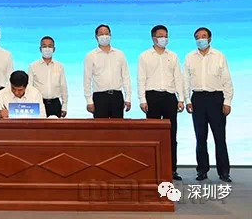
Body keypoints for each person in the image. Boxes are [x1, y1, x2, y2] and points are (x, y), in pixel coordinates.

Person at [184, 27, 234, 182]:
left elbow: (226, 80)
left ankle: (224, 172)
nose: (201, 39)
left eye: (204, 36)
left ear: (210, 39)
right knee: (200, 137)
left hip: (216, 99)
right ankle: (202, 170)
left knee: (220, 137)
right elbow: (186, 80)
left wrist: (227, 101)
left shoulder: (219, 56)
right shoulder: (190, 57)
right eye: (198, 37)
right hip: (198, 99)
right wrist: (187, 100)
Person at [137, 25, 185, 181]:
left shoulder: (173, 56)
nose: (164, 38)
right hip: (152, 97)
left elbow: (178, 78)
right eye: (160, 36)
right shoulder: (145, 56)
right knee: (152, 135)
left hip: (170, 97)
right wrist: (142, 100)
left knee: (171, 134)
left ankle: (172, 169)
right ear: (153, 38)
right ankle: (152, 169)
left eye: (166, 35)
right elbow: (141, 79)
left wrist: (181, 98)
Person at [83, 24, 131, 118]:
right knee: (100, 126)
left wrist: (128, 97)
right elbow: (87, 80)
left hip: (117, 96)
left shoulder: (119, 54)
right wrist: (89, 101)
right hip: (100, 97)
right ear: (96, 37)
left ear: (110, 35)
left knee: (118, 126)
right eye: (101, 34)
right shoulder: (91, 56)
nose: (104, 36)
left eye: (106, 34)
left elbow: (126, 77)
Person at [28, 36, 68, 118]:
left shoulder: (59, 66)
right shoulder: (33, 66)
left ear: (54, 49)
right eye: (44, 46)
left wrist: (64, 106)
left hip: (55, 104)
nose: (47, 49)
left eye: (50, 46)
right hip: (38, 104)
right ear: (40, 49)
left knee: (55, 126)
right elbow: (29, 87)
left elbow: (63, 86)